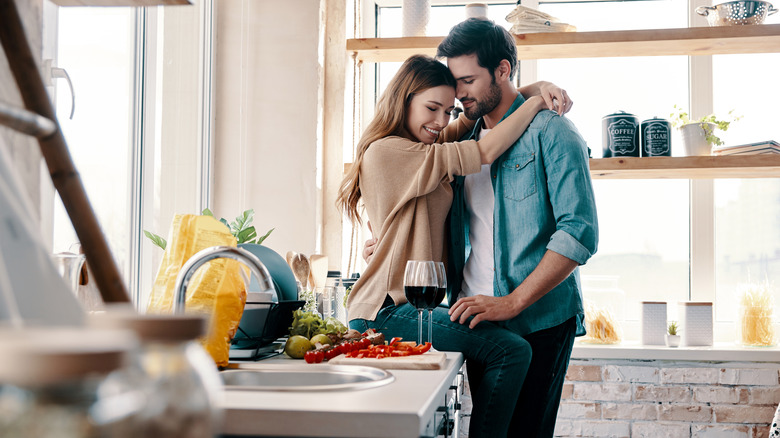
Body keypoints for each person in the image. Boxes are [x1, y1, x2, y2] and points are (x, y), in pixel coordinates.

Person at [336, 54, 571, 438]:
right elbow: (483, 150)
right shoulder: (389, 150)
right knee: (510, 352)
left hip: (413, 305)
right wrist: (534, 103)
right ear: (403, 99)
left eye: (448, 110)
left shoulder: (425, 147)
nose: (441, 121)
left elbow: (478, 116)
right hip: (388, 309)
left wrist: (533, 88)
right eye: (432, 108)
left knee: (506, 354)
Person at [440, 18, 599, 437]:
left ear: (504, 70)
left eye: (469, 80)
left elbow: (579, 232)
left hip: (538, 320)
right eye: (455, 81)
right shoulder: (464, 142)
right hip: (477, 316)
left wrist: (511, 302)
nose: (459, 94)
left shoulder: (554, 132)